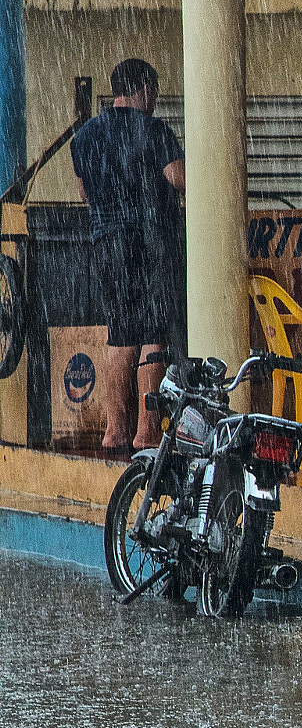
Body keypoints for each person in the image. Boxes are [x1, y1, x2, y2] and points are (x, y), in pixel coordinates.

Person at [70, 57, 185, 453]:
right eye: (154, 91)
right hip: (150, 243)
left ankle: (114, 430)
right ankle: (147, 431)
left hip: (106, 244)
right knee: (154, 335)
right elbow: (179, 179)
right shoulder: (154, 131)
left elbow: (85, 193)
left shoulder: (85, 136)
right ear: (145, 89)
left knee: (120, 336)